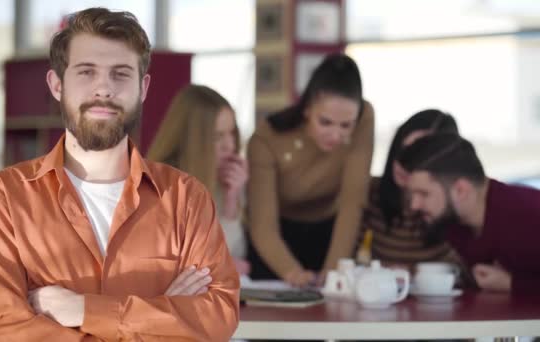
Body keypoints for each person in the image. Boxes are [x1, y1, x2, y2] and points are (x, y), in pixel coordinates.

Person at [0, 8, 239, 341]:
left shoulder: (186, 199)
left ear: (143, 87)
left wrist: (83, 311)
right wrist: (163, 313)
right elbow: (3, 331)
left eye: (121, 74)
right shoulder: (4, 199)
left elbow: (217, 317)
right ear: (57, 84)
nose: (104, 89)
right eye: (86, 72)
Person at [247, 53, 375, 287]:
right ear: (307, 109)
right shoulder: (267, 139)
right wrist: (292, 273)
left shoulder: (364, 117)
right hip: (276, 237)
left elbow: (353, 201)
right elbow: (263, 225)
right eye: (325, 122)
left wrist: (334, 270)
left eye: (346, 125)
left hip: (330, 230)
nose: (336, 135)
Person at [398, 133, 540, 295]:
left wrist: (512, 284)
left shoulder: (530, 214)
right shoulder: (453, 220)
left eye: (424, 194)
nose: (414, 205)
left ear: (461, 190)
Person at [147, 84, 250, 275]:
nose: (230, 145)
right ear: (192, 139)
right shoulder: (160, 183)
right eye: (217, 136)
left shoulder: (228, 177)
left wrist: (231, 199)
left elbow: (236, 256)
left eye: (232, 133)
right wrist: (216, 264)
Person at [363, 109, 462, 268]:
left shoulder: (457, 208)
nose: (403, 163)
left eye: (419, 154)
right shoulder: (370, 193)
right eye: (402, 149)